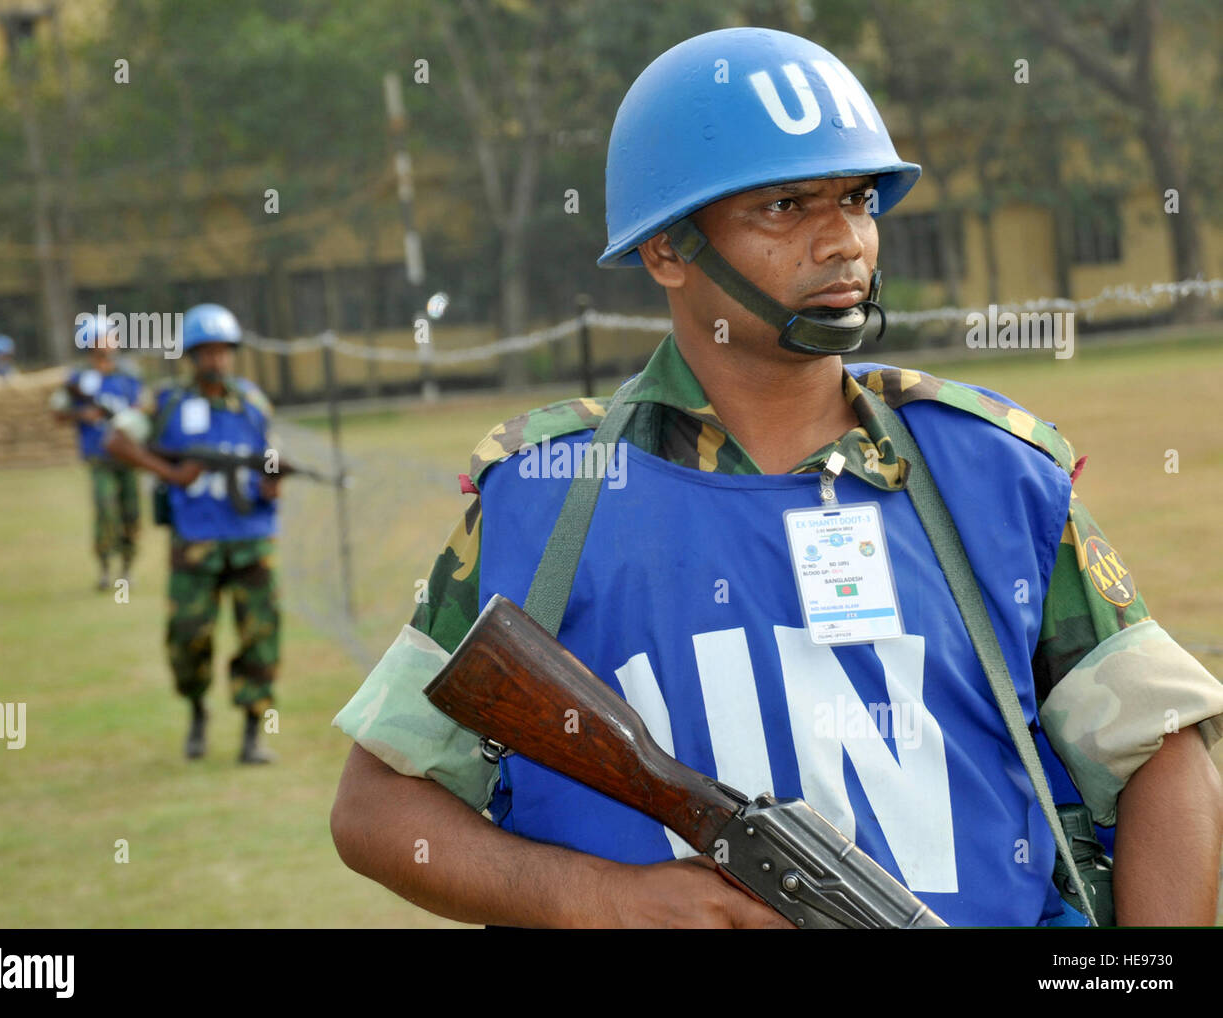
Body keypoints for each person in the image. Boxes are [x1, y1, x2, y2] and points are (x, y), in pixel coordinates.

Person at [328, 28, 1223, 927]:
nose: (844, 243)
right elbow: (377, 810)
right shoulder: (547, 496)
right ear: (668, 251)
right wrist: (604, 899)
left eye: (859, 199)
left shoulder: (992, 471)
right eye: (786, 206)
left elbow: (1163, 755)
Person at [104, 304, 282, 764]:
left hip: (252, 540)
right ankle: (198, 709)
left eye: (223, 351)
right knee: (187, 638)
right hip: (194, 542)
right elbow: (117, 441)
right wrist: (170, 472)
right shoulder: (165, 402)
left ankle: (251, 731)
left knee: (260, 640)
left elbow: (268, 459)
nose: (216, 360)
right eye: (206, 352)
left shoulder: (253, 402)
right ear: (190, 355)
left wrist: (272, 482)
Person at [49, 314, 146, 590]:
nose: (113, 341)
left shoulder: (129, 374)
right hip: (98, 456)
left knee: (131, 513)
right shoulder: (79, 377)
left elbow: (142, 407)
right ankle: (105, 569)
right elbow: (58, 412)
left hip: (129, 457)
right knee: (105, 510)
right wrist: (83, 414)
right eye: (107, 336)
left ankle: (128, 569)